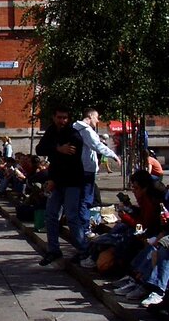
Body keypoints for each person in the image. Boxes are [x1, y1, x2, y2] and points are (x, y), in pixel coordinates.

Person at [36, 106, 86, 266]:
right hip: (57, 181)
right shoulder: (51, 131)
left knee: (71, 216)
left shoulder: (74, 135)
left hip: (72, 181)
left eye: (65, 118)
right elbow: (40, 149)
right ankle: (53, 250)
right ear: (54, 117)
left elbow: (68, 163)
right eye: (59, 117)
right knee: (50, 215)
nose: (62, 121)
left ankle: (83, 249)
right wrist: (57, 149)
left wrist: (53, 180)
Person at [73, 108, 121, 245]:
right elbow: (98, 145)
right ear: (90, 116)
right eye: (97, 117)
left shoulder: (75, 128)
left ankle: (81, 227)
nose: (98, 120)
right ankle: (85, 229)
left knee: (81, 199)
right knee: (86, 200)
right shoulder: (87, 130)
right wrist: (113, 155)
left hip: (79, 168)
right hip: (86, 169)